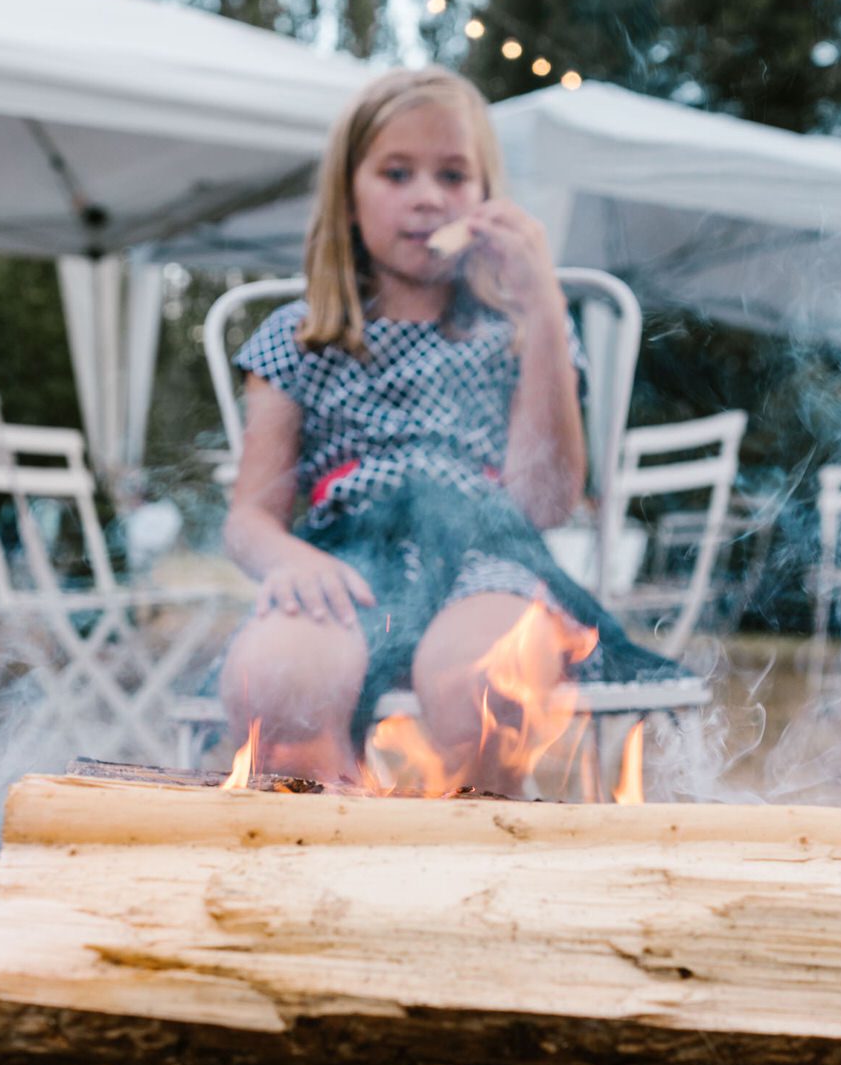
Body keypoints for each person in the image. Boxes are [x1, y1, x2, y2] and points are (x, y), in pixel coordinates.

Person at [217, 66, 682, 792]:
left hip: (487, 556)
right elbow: (249, 515)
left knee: (483, 686)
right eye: (397, 172)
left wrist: (543, 313)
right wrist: (285, 559)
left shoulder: (517, 335)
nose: (428, 196)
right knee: (277, 682)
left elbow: (547, 502)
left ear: (487, 197)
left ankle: (470, 863)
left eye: (453, 175)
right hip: (349, 566)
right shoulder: (298, 339)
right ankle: (316, 852)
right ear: (347, 198)